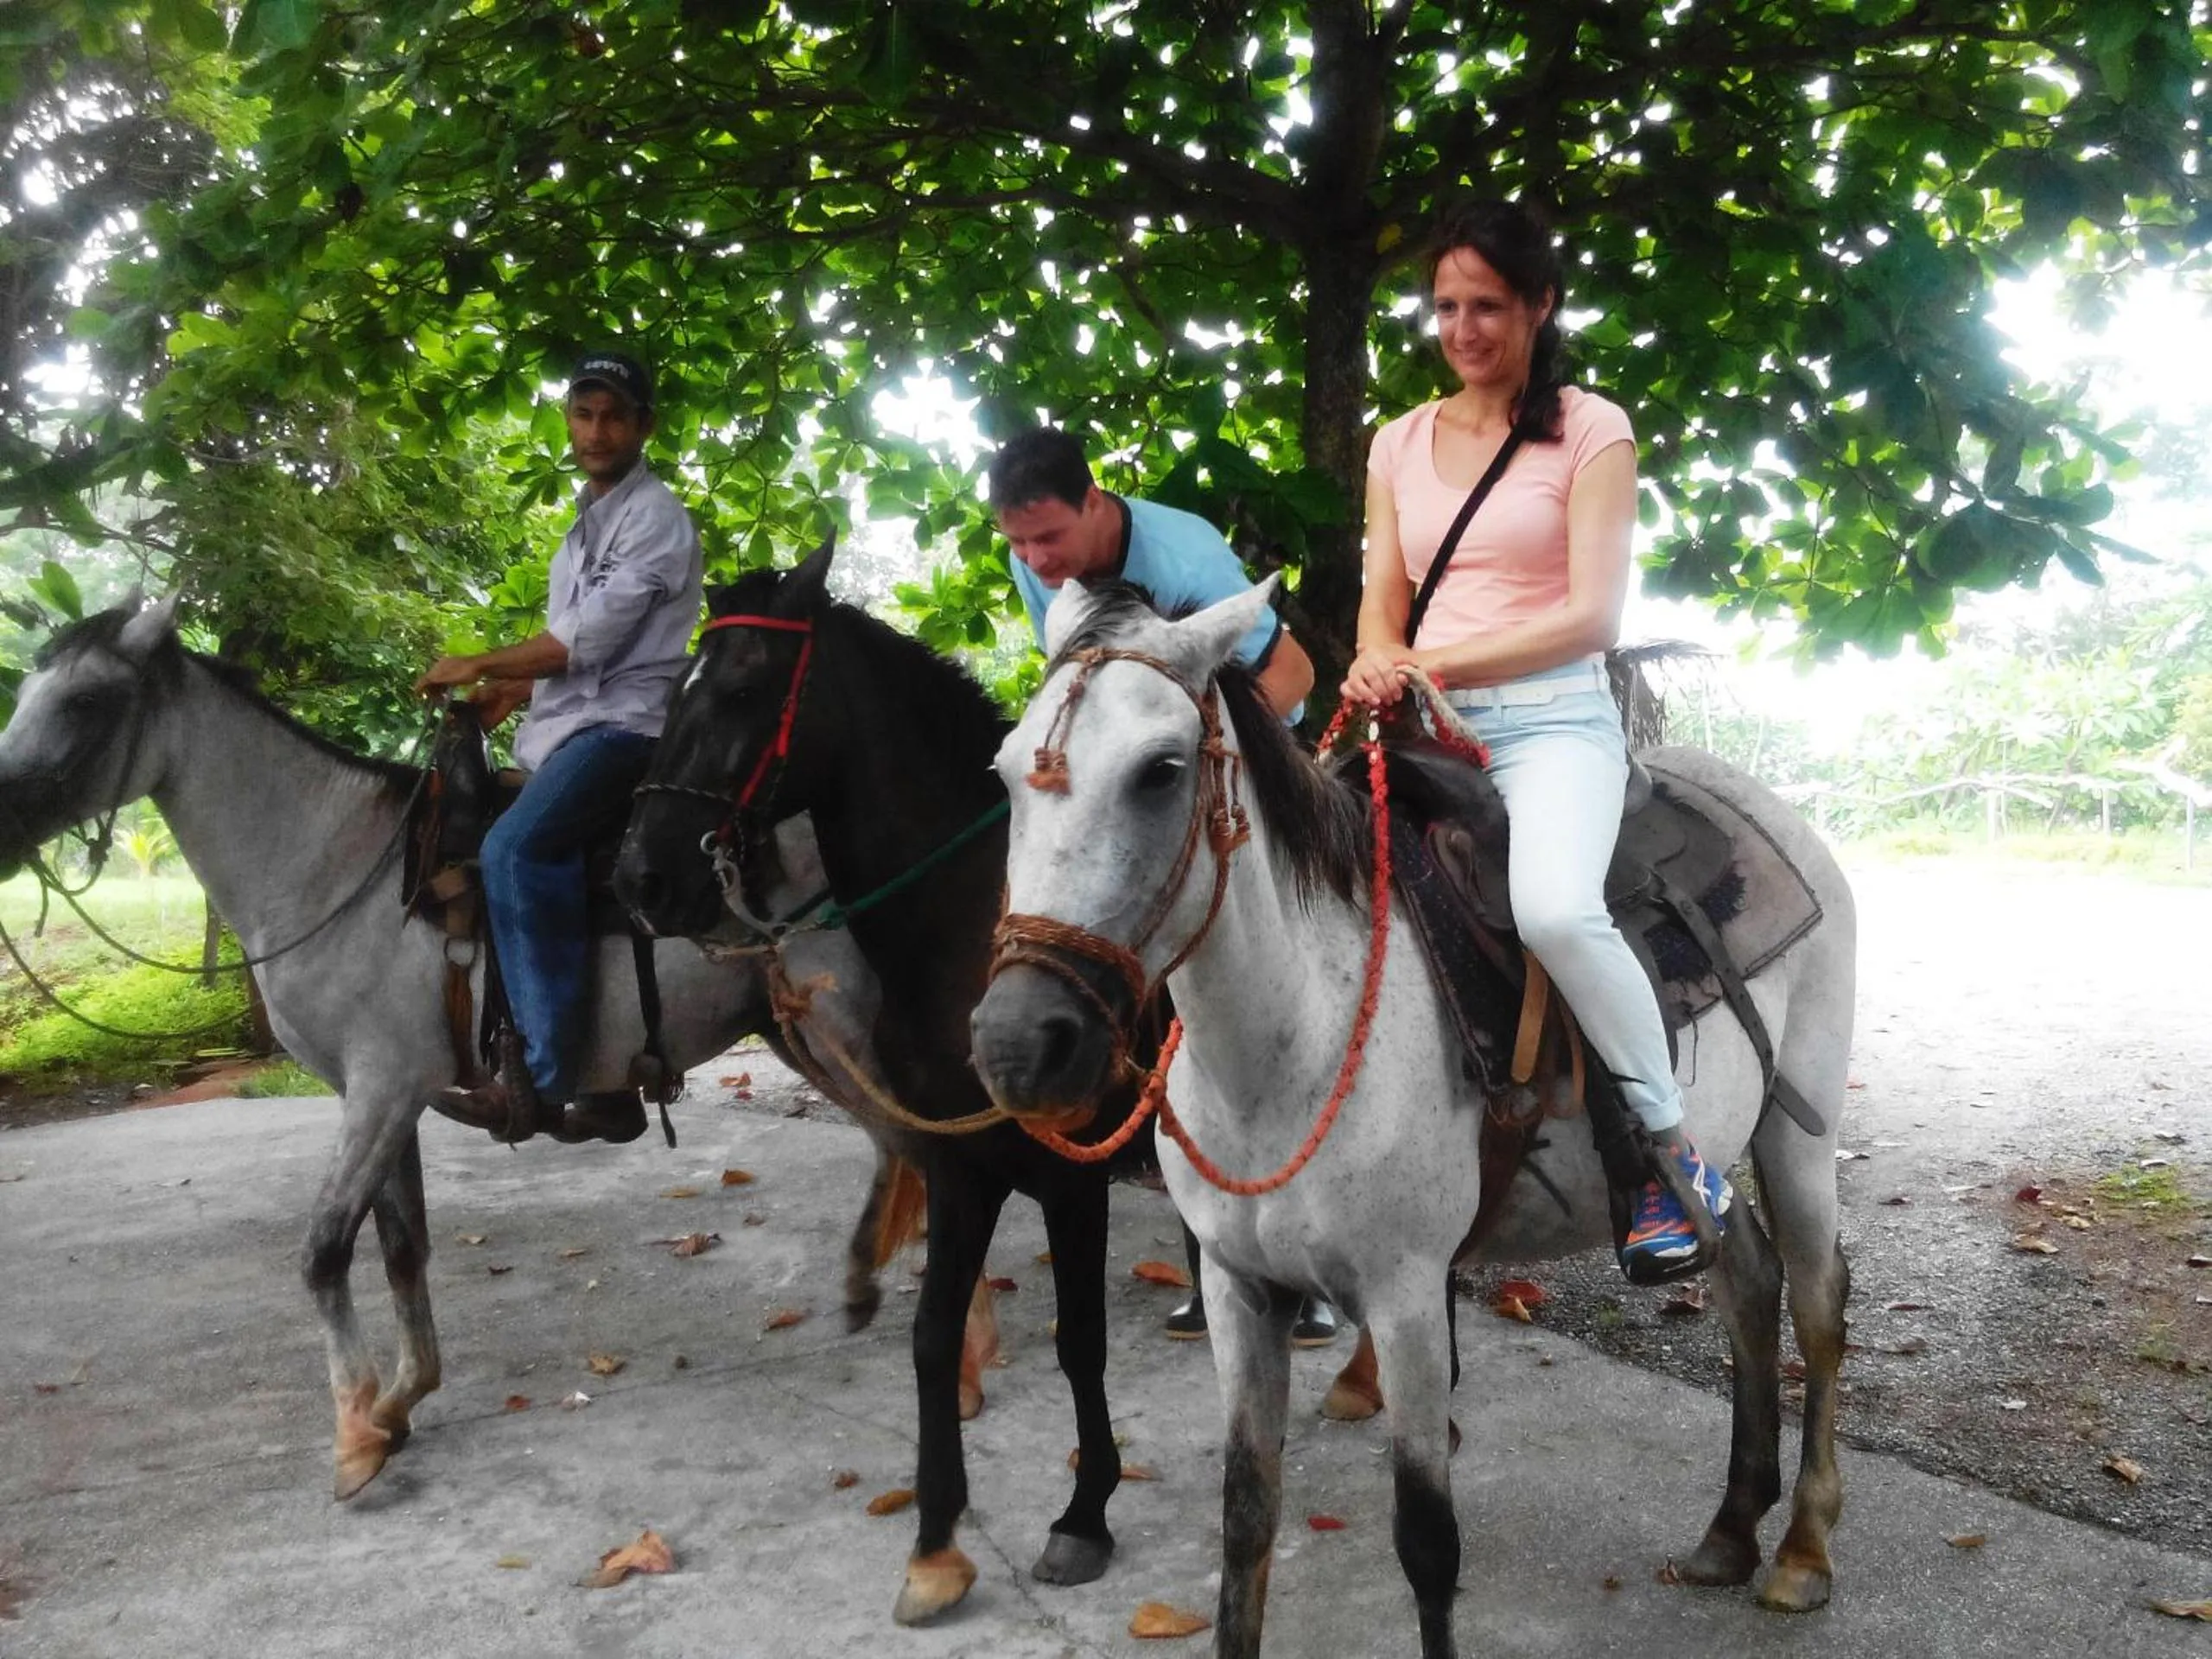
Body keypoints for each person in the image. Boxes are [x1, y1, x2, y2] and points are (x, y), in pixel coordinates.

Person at [1342, 200, 1732, 1282]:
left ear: (1538, 306)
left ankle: (1667, 1154)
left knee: (1555, 910)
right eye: (1446, 307)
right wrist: (1376, 658)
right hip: (1426, 728)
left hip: (1553, 721)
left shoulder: (1591, 429)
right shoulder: (1397, 442)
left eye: (1487, 306)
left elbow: (1591, 619)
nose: (1462, 330)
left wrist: (1429, 663)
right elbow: (1382, 600)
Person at [988, 426, 1339, 1343]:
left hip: (1243, 766)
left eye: (1049, 538)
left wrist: (1207, 764)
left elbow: (1292, 674)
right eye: (1018, 543)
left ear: (1095, 501)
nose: (1036, 560)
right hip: (1133, 778)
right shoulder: (1037, 566)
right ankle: (1214, 1245)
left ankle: (1323, 1255)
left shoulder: (1185, 555)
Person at [419, 349, 704, 1145]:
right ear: (568, 421)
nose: (597, 431)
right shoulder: (584, 527)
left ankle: (541, 1083)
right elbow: (579, 653)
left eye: (614, 416)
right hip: (573, 723)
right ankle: (609, 1084)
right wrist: (513, 690)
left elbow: (591, 640)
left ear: (644, 426)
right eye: (584, 414)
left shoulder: (655, 518)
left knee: (515, 850)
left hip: (628, 729)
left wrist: (481, 662)